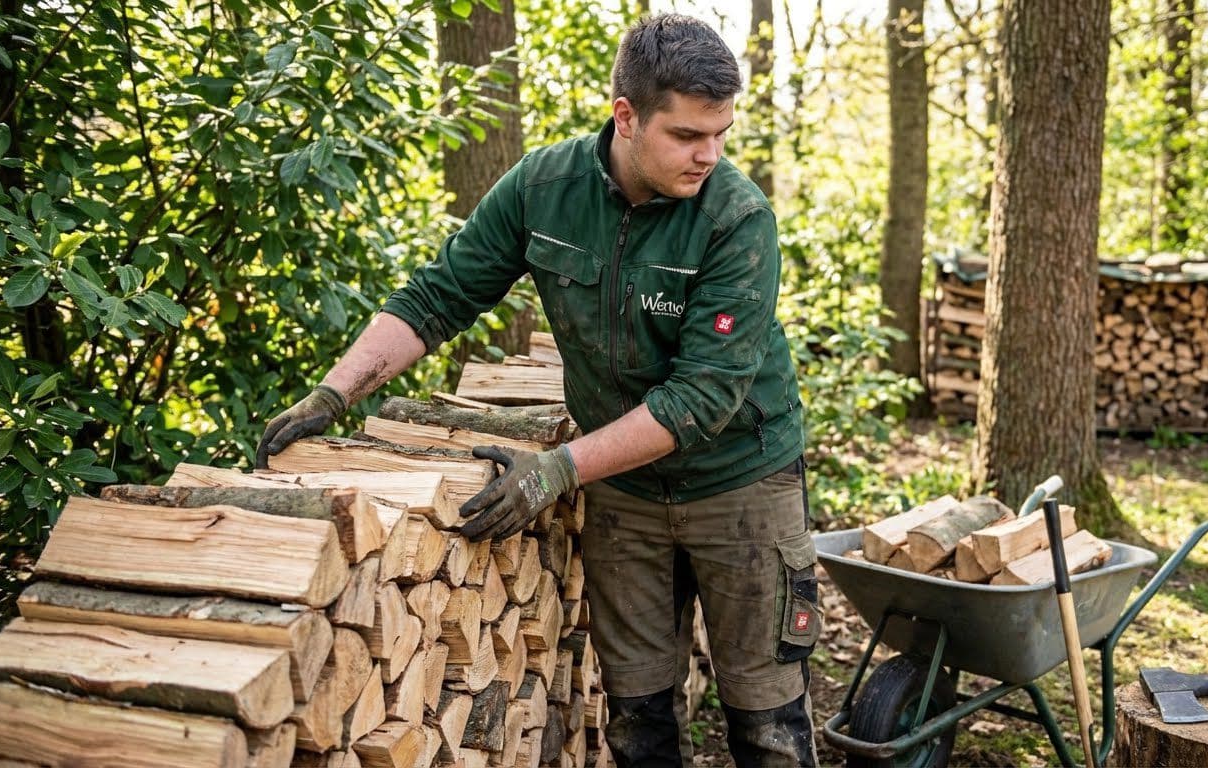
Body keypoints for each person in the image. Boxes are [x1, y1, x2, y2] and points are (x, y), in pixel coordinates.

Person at [256, 13, 819, 767]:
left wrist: (556, 469)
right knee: (637, 718)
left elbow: (701, 399)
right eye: (687, 135)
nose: (708, 155)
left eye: (720, 133)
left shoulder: (736, 217)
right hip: (626, 491)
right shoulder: (544, 189)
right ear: (626, 116)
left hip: (741, 483)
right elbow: (439, 296)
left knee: (768, 726)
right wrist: (333, 395)